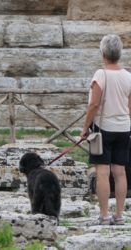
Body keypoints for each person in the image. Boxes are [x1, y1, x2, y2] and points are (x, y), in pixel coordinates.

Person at [81, 34, 131, 225]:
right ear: (119, 54)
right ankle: (119, 215)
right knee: (120, 172)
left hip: (103, 129)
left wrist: (85, 128)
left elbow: (93, 105)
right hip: (124, 128)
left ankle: (104, 215)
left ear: (103, 53)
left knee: (102, 171)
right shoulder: (128, 76)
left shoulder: (101, 74)